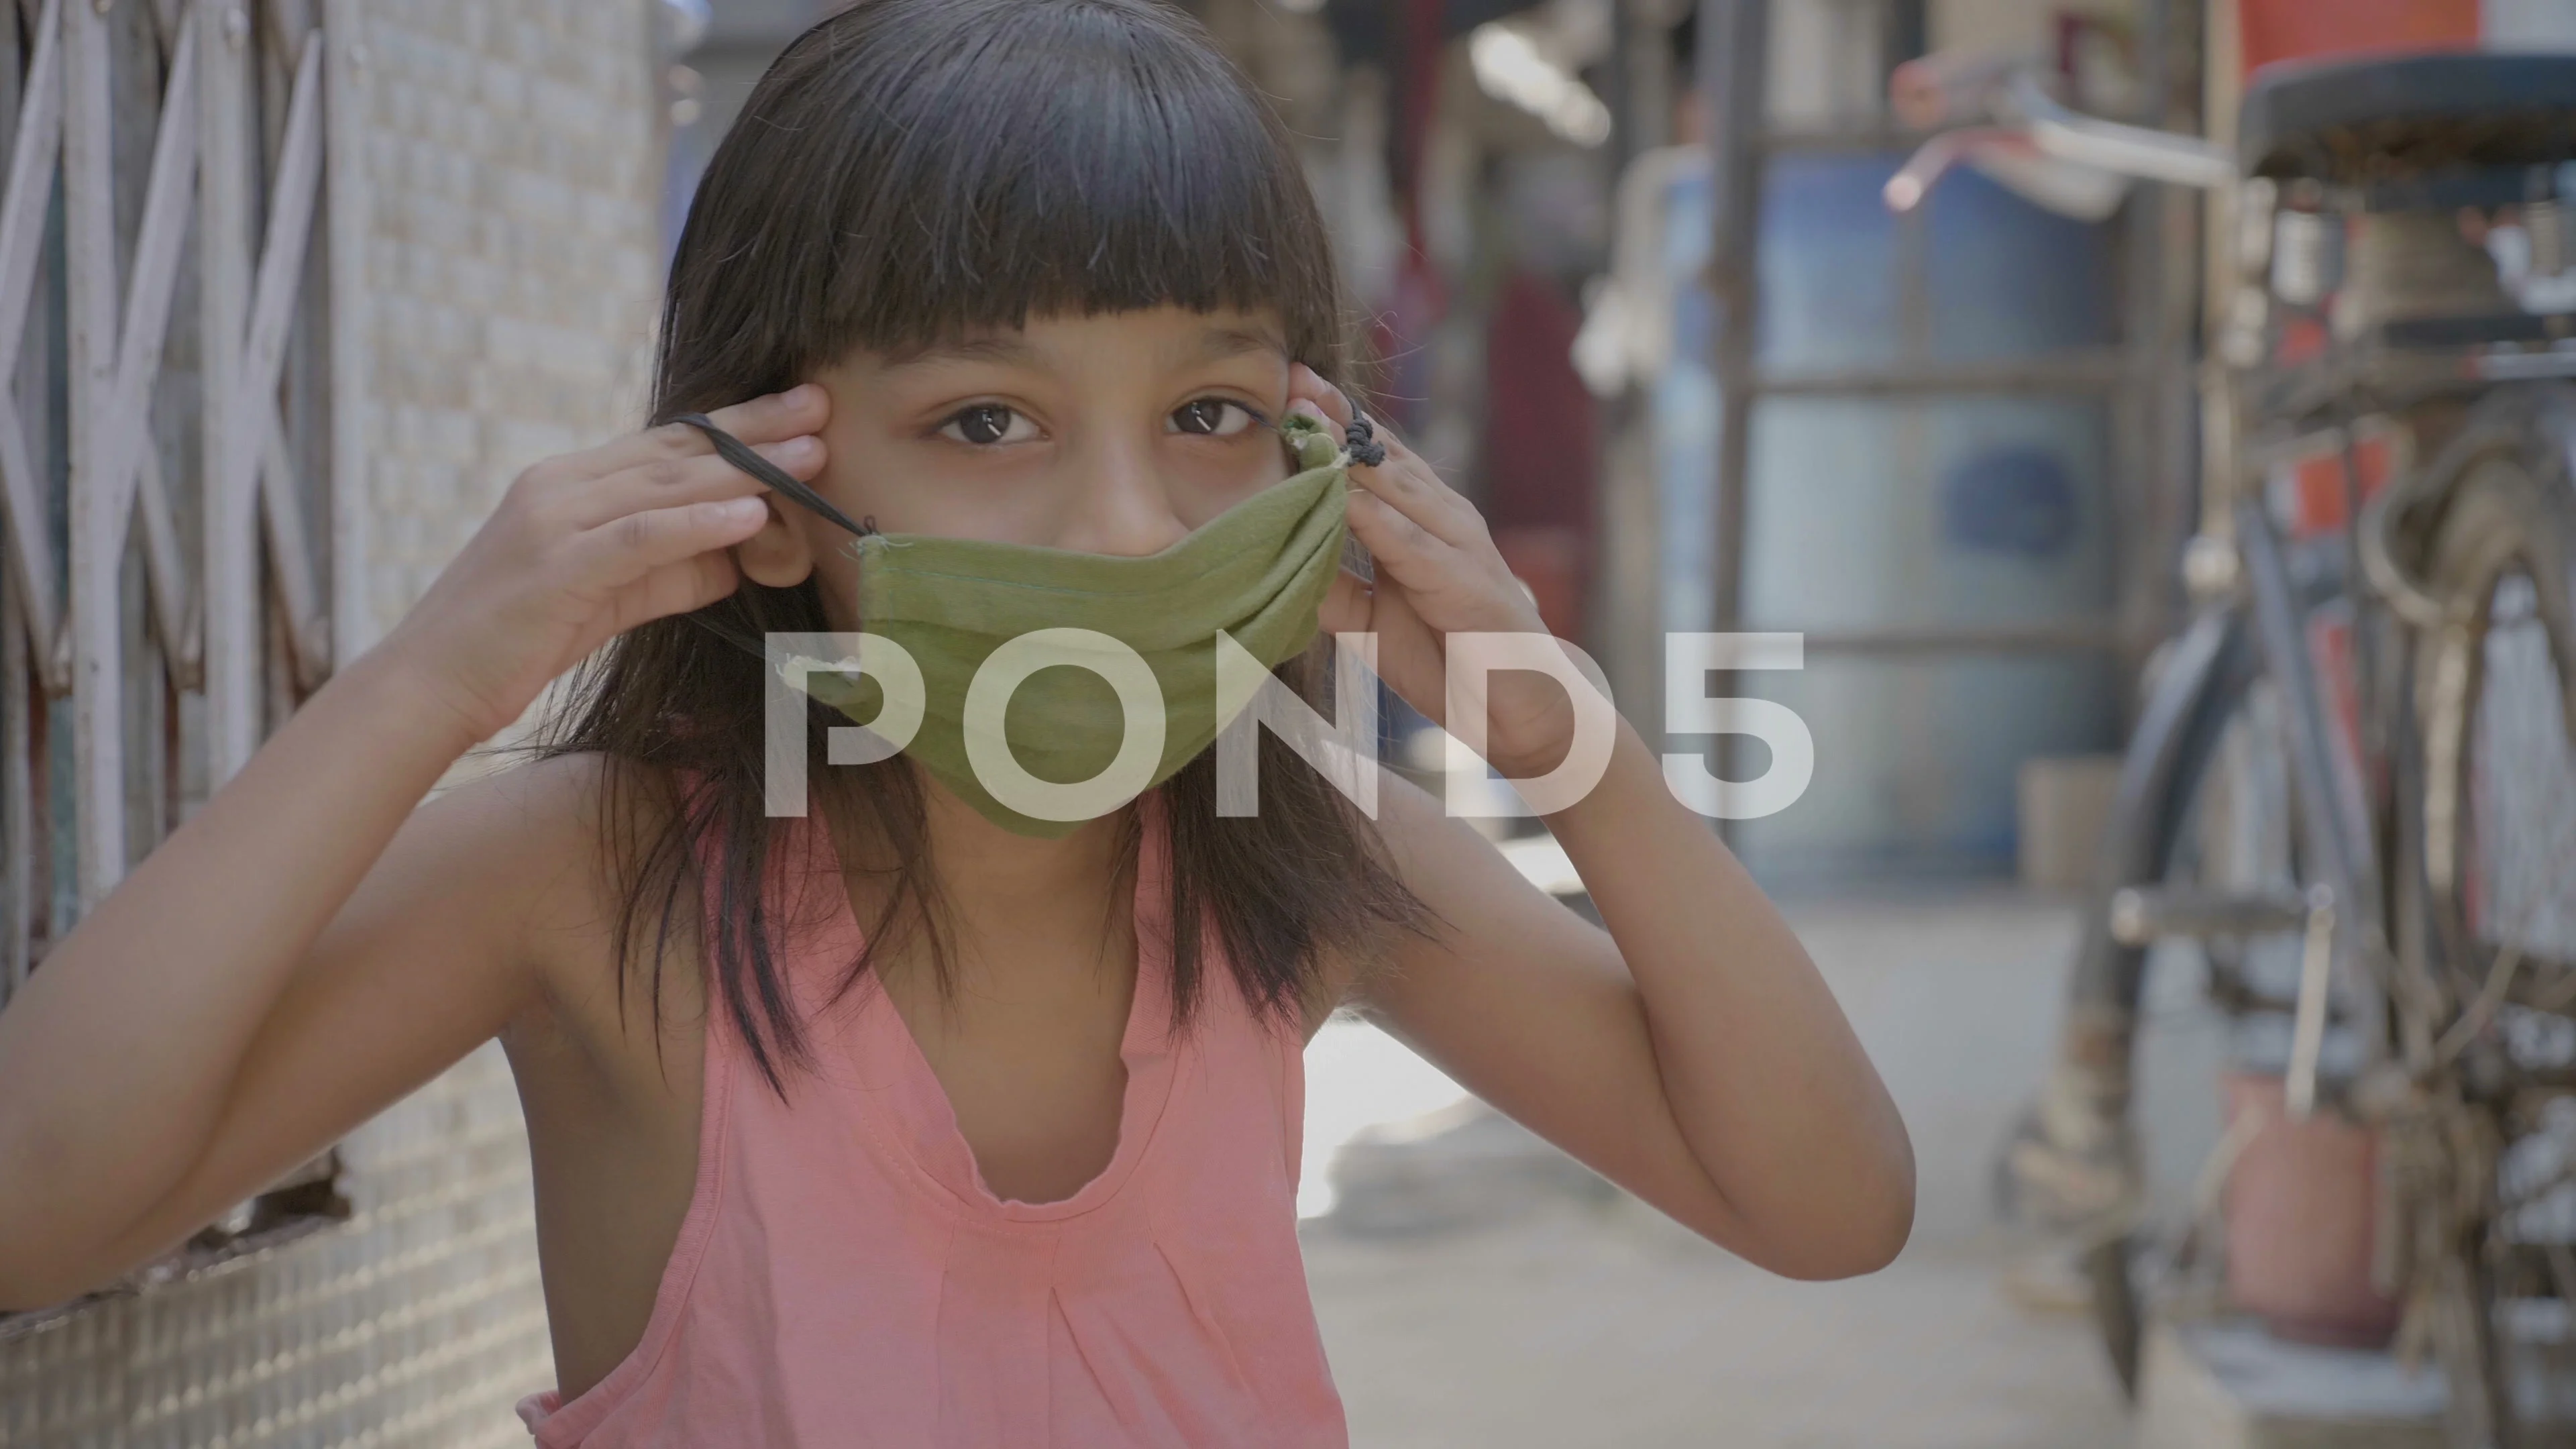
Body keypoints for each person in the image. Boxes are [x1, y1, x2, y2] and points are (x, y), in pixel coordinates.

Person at [0, 2, 1913, 1444]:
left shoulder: (1299, 849)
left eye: (1211, 415)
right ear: (761, 470)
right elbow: (32, 1213)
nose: (1124, 526)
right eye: (986, 423)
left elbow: (1827, 1207)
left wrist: (1550, 723)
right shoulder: (596, 876)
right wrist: (426, 685)